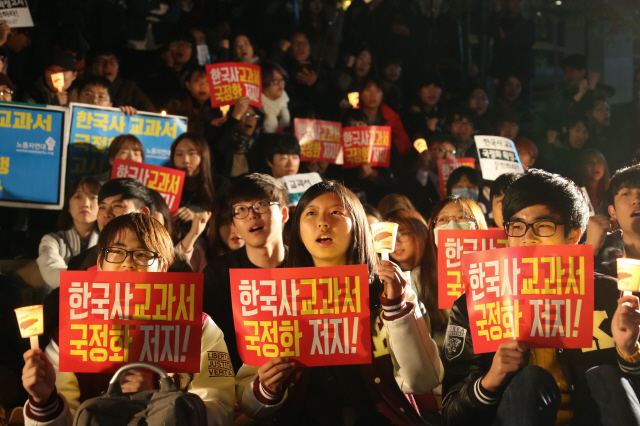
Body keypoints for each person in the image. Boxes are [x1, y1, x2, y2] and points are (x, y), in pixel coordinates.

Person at [235, 181, 443, 425]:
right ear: (298, 230)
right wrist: (266, 389)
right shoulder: (277, 295)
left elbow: (423, 380)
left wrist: (396, 308)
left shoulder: (392, 290)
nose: (323, 222)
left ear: (358, 226)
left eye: (336, 212)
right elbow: (249, 404)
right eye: (311, 213)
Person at [442, 169, 637, 426]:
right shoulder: (474, 304)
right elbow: (451, 413)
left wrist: (629, 352)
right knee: (530, 381)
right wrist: (491, 380)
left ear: (573, 234)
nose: (527, 237)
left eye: (543, 226)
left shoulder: (613, 296)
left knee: (606, 377)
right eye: (517, 226)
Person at [22, 213, 235, 426]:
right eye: (115, 252)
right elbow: (67, 416)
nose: (128, 263)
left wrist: (157, 402)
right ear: (100, 264)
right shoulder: (71, 332)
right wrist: (45, 401)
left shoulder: (201, 327)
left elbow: (219, 408)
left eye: (142, 254)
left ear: (162, 268)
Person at [202, 174, 290, 371]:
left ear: (284, 214)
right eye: (240, 210)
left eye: (261, 204)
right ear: (235, 225)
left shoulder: (309, 267)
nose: (252, 215)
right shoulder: (217, 276)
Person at [66, 178, 155, 271]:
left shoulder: (165, 262)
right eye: (102, 207)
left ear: (143, 213)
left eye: (117, 206)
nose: (106, 214)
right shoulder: (78, 264)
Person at [37, 178, 101, 296]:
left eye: (93, 197)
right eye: (78, 197)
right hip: (59, 307)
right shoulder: (51, 241)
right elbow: (51, 271)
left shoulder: (108, 242)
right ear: (68, 207)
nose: (85, 204)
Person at [595, 165, 640, 277]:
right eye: (626, 194)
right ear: (612, 211)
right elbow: (564, 288)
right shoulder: (601, 250)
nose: (636, 200)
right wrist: (591, 248)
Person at [210, 96, 264, 178]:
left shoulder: (257, 144)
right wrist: (236, 114)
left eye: (254, 115)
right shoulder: (221, 138)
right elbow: (218, 147)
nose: (250, 119)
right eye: (245, 114)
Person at [88, 50, 157, 112]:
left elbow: (151, 111)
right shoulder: (83, 86)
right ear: (90, 68)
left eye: (112, 62)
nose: (107, 66)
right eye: (101, 62)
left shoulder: (129, 88)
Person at [170, 133, 217, 218]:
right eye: (179, 154)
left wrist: (198, 214)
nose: (185, 160)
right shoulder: (166, 184)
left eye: (192, 154)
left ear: (203, 156)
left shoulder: (220, 185)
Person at [260, 61, 290, 133]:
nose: (281, 84)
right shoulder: (253, 108)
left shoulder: (291, 106)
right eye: (276, 80)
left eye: (282, 80)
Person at [578, 149, 610, 216]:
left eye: (599, 162)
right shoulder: (577, 193)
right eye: (590, 162)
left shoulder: (610, 193)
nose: (595, 166)